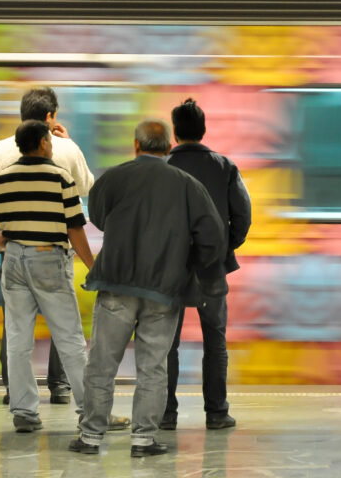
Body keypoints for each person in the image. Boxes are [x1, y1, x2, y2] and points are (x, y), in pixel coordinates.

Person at [69, 119, 225, 457]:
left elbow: (95, 214)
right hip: (164, 289)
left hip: (116, 283)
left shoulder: (114, 177)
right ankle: (143, 440)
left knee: (101, 364)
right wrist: (191, 265)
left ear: (136, 146)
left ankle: (91, 437)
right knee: (153, 366)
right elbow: (213, 238)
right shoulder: (188, 184)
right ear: (168, 148)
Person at [0, 119, 118, 433]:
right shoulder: (60, 177)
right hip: (49, 260)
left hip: (12, 261)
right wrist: (93, 265)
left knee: (18, 340)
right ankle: (92, 411)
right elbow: (74, 227)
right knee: (69, 339)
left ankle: (25, 413)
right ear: (43, 143)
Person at [0, 87, 93, 404]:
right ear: (49, 117)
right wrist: (69, 142)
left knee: (15, 326)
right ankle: (61, 387)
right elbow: (86, 190)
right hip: (53, 251)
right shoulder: (65, 150)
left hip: (10, 249)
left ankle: (16, 395)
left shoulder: (0, 149)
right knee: (64, 324)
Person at [161, 98, 252, 432]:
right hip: (211, 266)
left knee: (167, 343)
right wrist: (226, 247)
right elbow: (242, 214)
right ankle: (216, 413)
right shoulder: (224, 166)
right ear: (202, 130)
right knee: (215, 340)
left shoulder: (162, 166)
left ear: (175, 131)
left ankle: (166, 414)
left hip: (169, 268)